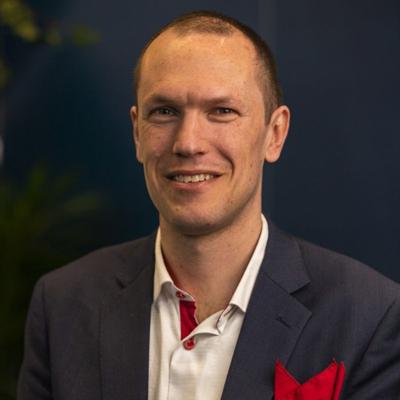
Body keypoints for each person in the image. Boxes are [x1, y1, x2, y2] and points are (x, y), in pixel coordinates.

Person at [18, 10, 400, 400]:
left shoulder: (368, 317)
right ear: (137, 133)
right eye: (164, 112)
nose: (188, 143)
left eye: (222, 111)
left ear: (274, 134)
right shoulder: (63, 303)